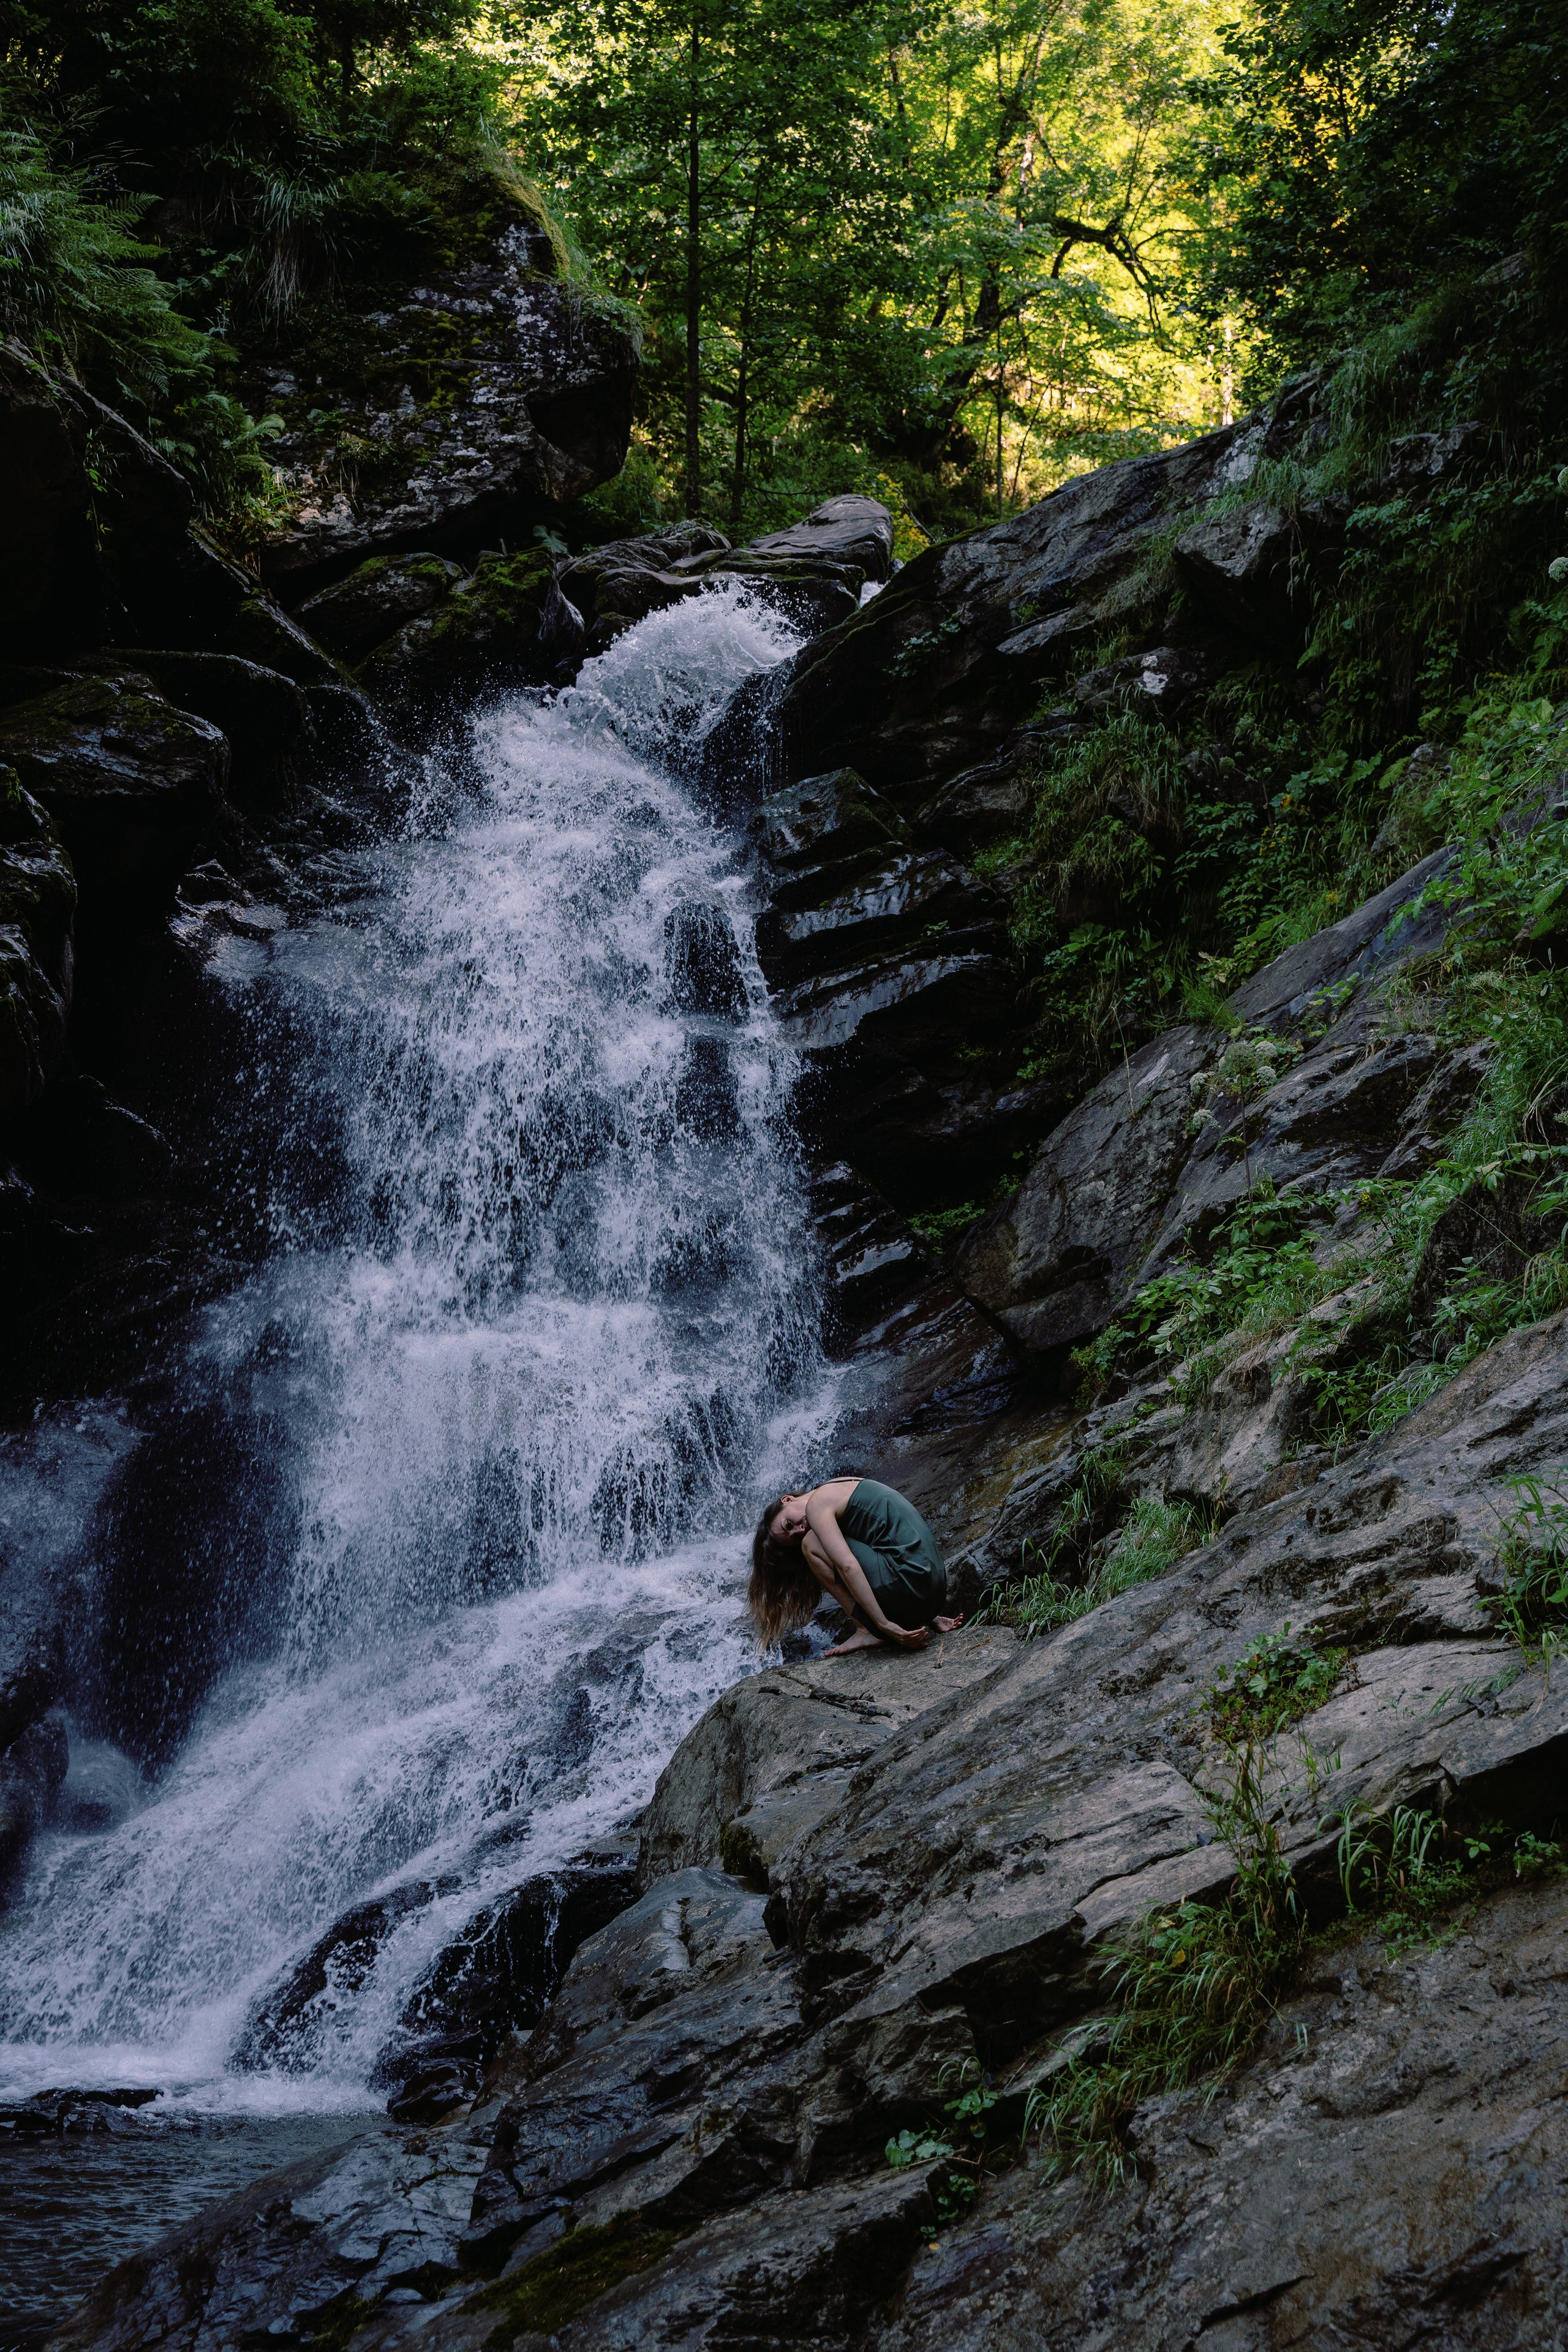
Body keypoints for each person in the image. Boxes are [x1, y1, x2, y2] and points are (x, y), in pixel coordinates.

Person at [748, 1475, 965, 1656]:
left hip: (913, 1586)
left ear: (787, 1500)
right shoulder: (838, 1486)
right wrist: (930, 1616)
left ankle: (865, 1630)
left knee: (811, 1545)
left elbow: (848, 1566)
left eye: (788, 1523)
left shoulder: (817, 1506)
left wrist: (883, 1626)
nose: (799, 1530)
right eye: (793, 1537)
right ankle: (926, 1617)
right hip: (935, 1588)